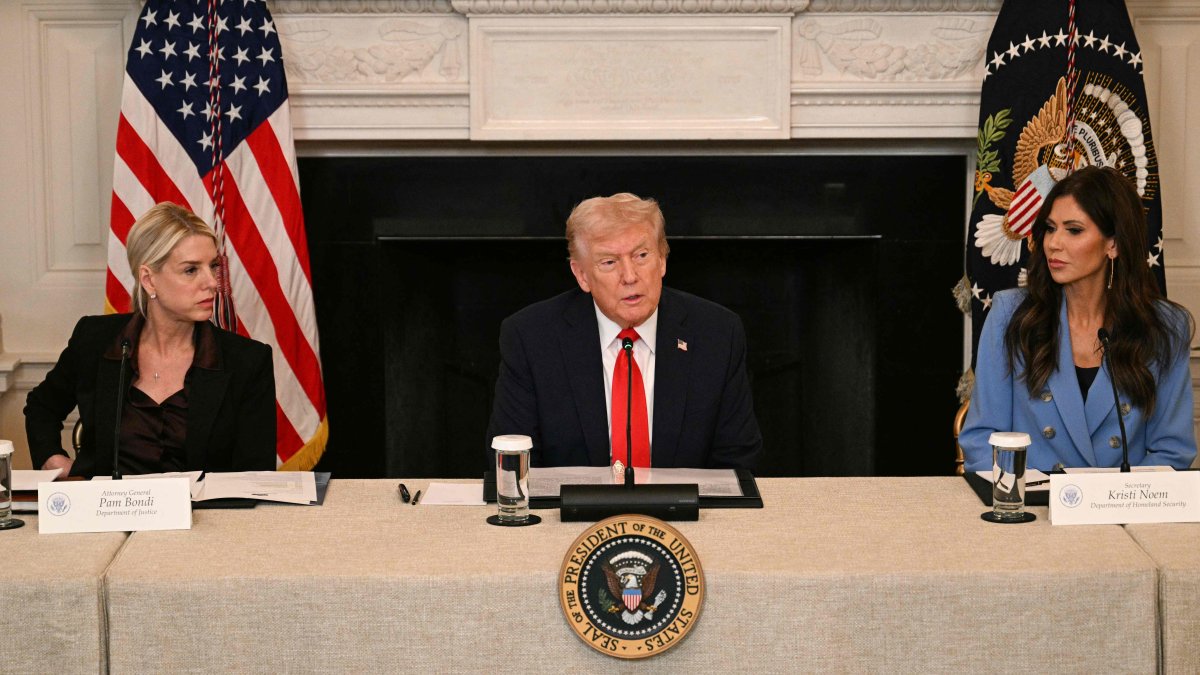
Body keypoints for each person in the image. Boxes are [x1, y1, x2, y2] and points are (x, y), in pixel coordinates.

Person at [486, 192, 762, 472]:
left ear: (663, 260)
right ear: (582, 275)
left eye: (641, 255)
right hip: (571, 515)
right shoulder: (531, 337)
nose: (630, 276)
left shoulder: (716, 334)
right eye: (609, 262)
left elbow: (738, 462)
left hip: (684, 514)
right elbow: (513, 462)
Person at [962, 166, 1196, 472]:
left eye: (1073, 230)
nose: (1053, 243)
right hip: (1034, 508)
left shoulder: (1165, 327)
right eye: (1049, 228)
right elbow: (982, 440)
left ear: (1113, 244)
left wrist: (1109, 504)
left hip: (1123, 510)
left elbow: (1171, 451)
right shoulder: (1010, 315)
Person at [24, 203, 277, 477]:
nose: (212, 282)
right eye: (191, 270)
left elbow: (255, 475)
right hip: (108, 515)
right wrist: (53, 460)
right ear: (149, 279)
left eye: (213, 266)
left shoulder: (248, 360)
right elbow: (41, 407)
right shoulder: (94, 339)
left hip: (208, 517)